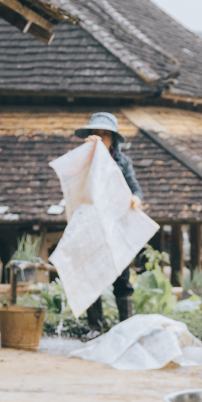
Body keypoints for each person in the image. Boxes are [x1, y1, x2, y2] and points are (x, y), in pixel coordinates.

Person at [73, 112, 144, 330]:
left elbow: (136, 189)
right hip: (91, 228)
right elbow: (74, 182)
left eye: (106, 134)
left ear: (113, 138)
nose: (101, 138)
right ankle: (96, 328)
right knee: (91, 277)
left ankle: (126, 329)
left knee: (122, 279)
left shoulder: (123, 162)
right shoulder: (82, 159)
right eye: (97, 133)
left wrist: (135, 199)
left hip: (116, 228)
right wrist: (86, 154)